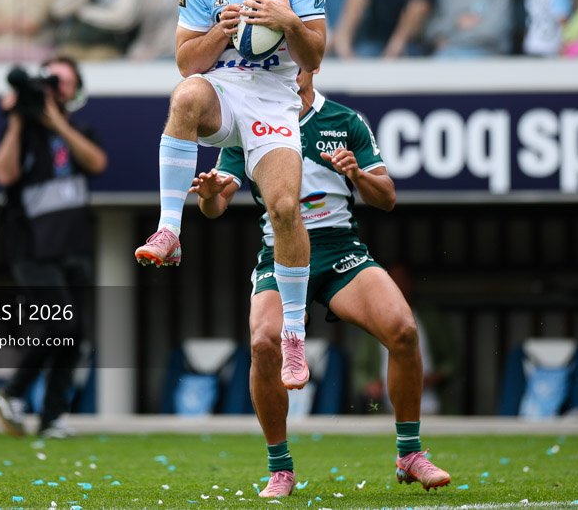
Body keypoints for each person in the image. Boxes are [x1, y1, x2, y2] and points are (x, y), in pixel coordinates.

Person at [191, 67, 451, 499]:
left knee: (403, 330)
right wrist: (207, 195)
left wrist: (359, 174)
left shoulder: (345, 121)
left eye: (289, 59)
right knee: (262, 342)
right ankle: (280, 469)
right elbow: (217, 206)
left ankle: (409, 454)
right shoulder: (251, 123)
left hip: (339, 249)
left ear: (310, 65)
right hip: (279, 251)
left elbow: (386, 198)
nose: (279, 68)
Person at [132, 0, 326, 393]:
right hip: (224, 89)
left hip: (275, 98)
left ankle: (293, 333)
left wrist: (287, 22)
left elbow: (314, 58)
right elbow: (184, 63)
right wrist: (222, 29)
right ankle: (169, 230)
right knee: (187, 95)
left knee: (285, 208)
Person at [0, 56, 107, 439]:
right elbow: (3, 173)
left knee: (74, 339)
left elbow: (97, 163)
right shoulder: (21, 130)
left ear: (75, 91)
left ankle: (52, 417)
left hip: (74, 245)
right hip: (32, 249)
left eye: (64, 83)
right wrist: (19, 119)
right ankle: (12, 391)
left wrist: (56, 121)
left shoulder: (81, 128)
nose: (56, 88)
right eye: (51, 81)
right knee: (62, 322)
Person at [353, 262, 459, 416]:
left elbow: (451, 361)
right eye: (392, 280)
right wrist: (370, 386)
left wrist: (430, 379)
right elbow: (360, 370)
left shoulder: (430, 318)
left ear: (412, 283)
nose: (398, 285)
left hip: (431, 407)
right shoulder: (373, 320)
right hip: (386, 409)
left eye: (402, 279)